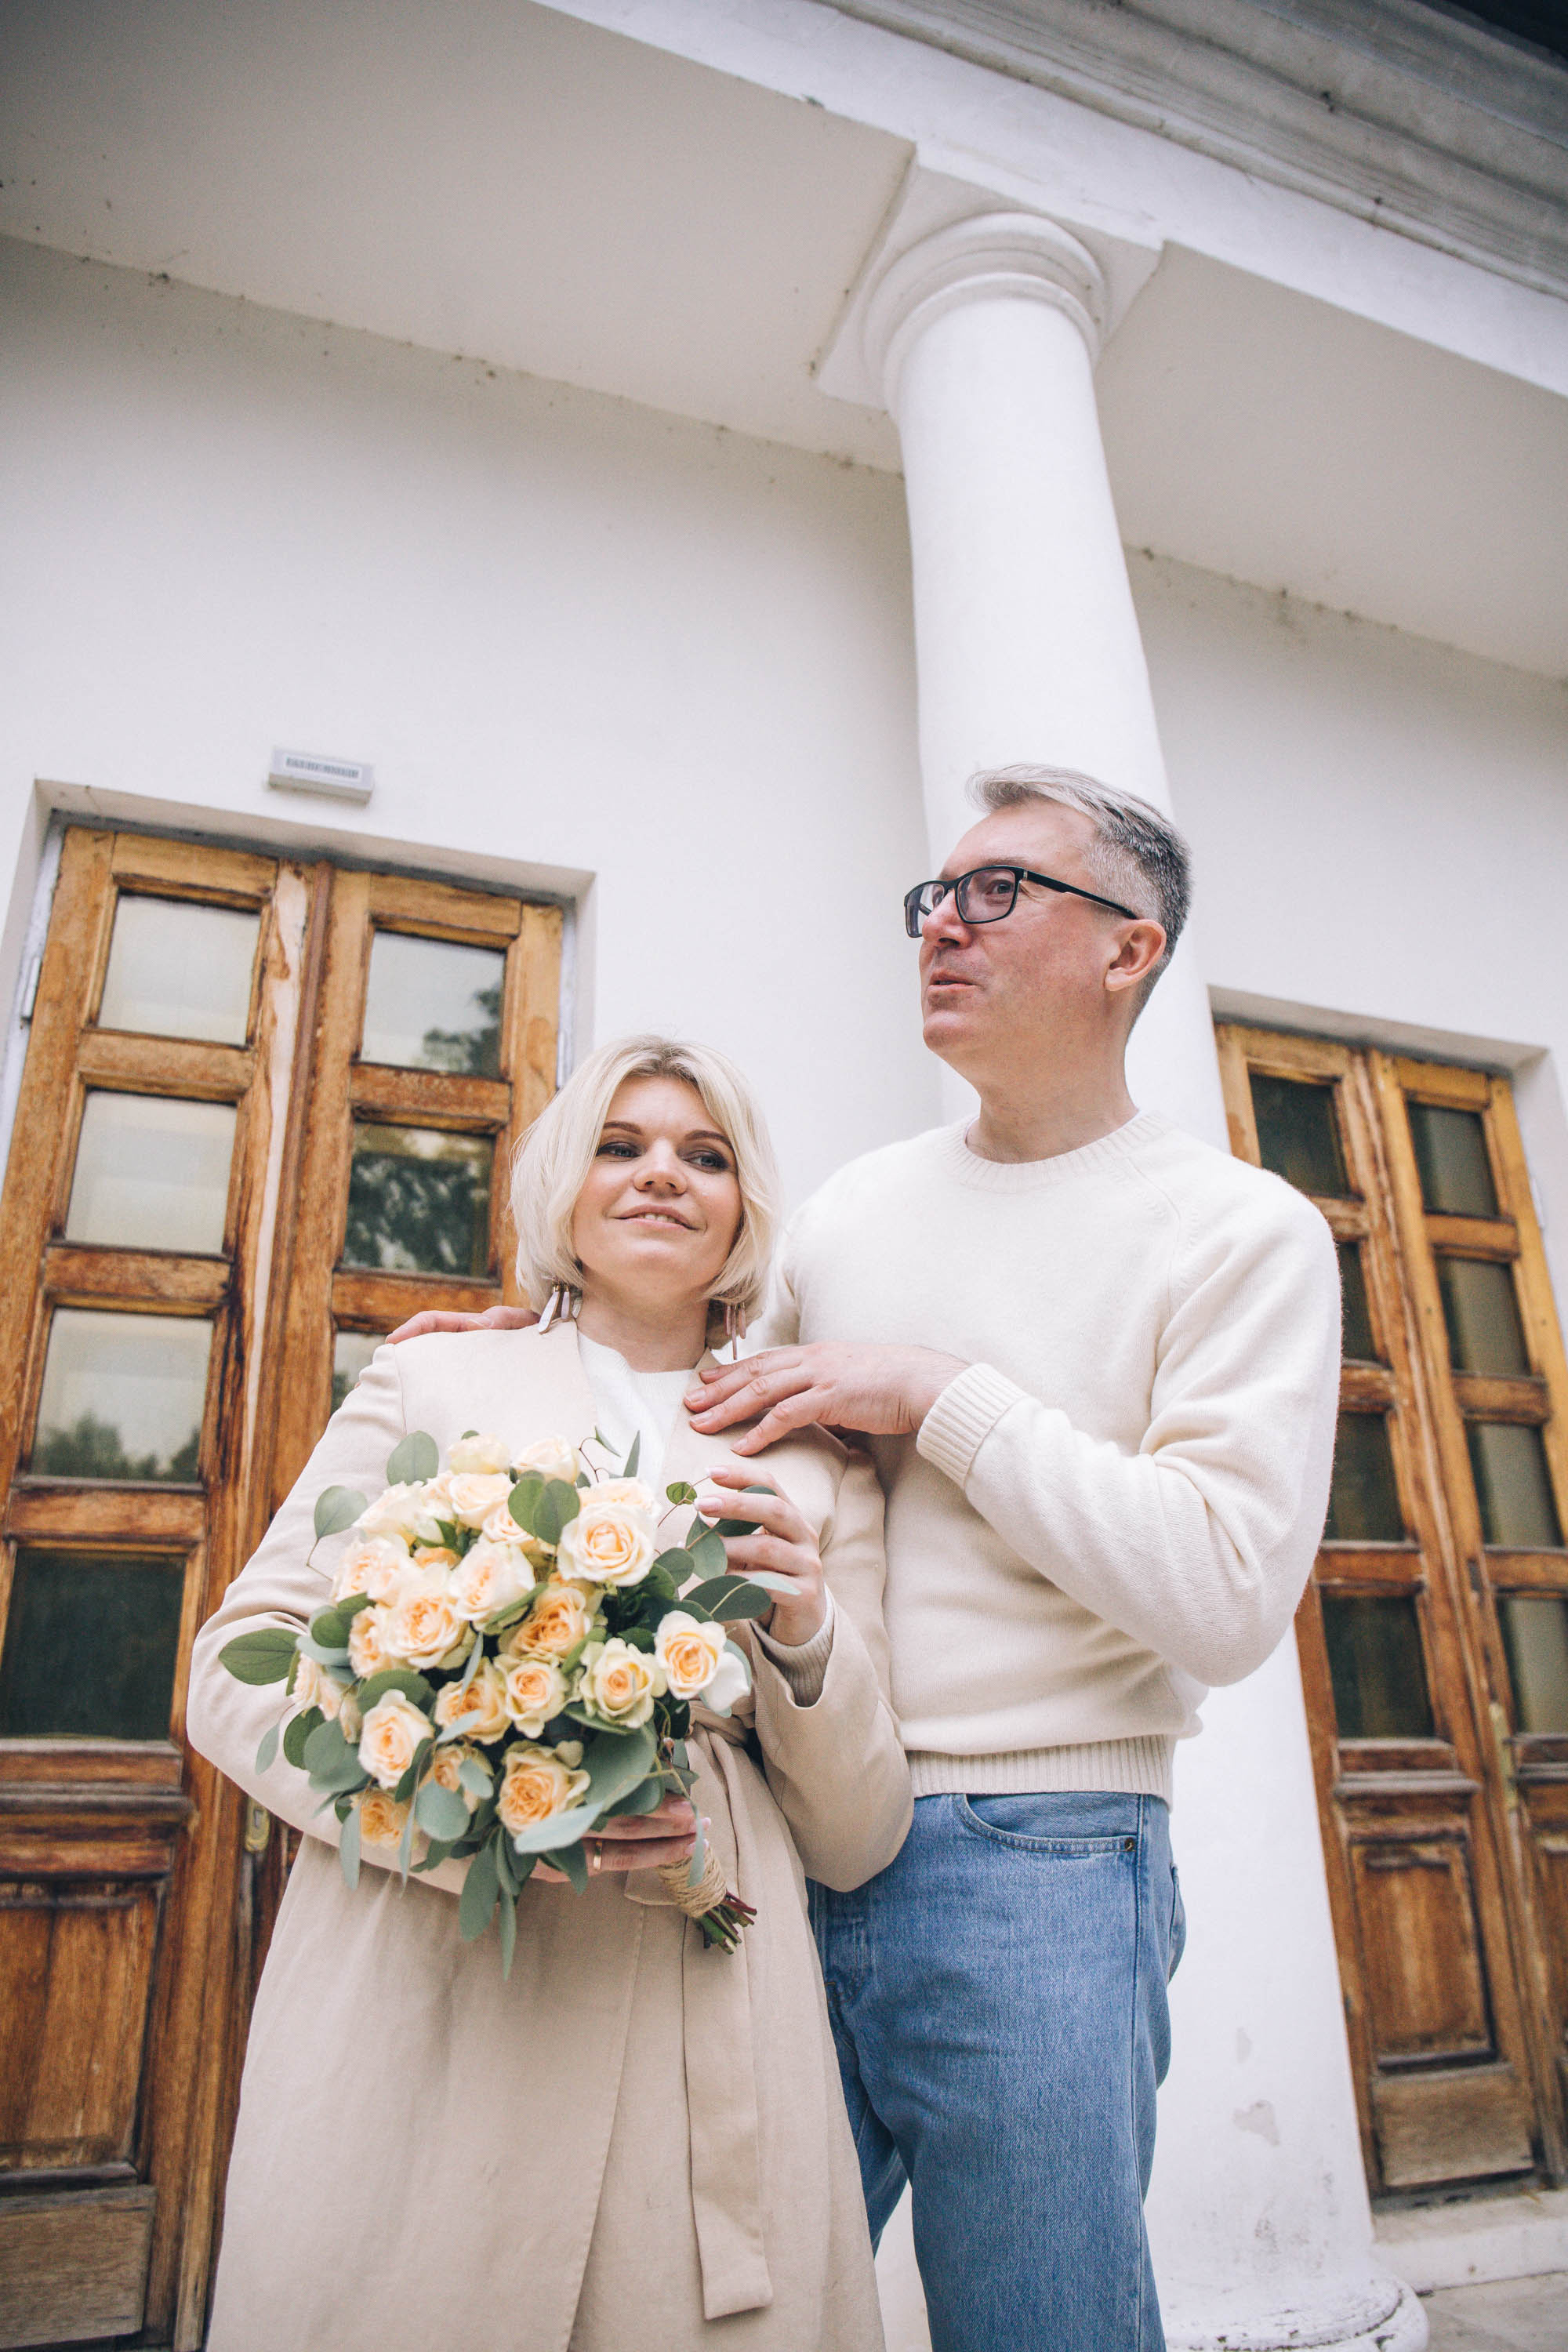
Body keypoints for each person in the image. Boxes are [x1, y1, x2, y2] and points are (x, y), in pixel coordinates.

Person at [391, 767, 1342, 2352]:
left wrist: (940, 1396)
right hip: (781, 1836)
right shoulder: (849, 1214)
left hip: (1042, 1859)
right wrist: (553, 1337)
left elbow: (1228, 1597)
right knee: (732, 2317)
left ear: (1129, 950)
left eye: (998, 892)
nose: (941, 927)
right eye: (933, 897)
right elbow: (704, 1401)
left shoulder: (1241, 1232)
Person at [187, 1035, 911, 2352]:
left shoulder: (817, 1460)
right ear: (561, 1186)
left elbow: (861, 1837)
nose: (661, 1176)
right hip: (441, 1985)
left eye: (705, 1156)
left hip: (701, 2002)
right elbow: (240, 1667)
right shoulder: (431, 1378)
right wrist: (476, 1821)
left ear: (745, 1209)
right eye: (620, 1147)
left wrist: (807, 1631)